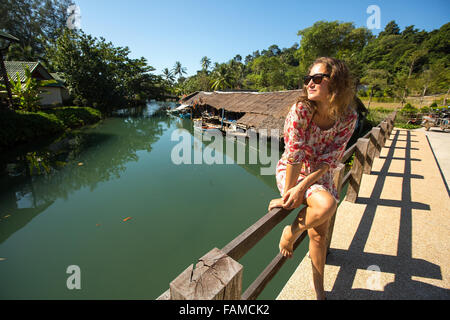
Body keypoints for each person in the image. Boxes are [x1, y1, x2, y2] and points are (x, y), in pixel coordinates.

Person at [268, 57, 358, 300]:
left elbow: (331, 159)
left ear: (336, 83)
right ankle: (292, 232)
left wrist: (304, 187)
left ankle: (318, 290)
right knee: (327, 205)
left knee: (319, 235)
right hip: (291, 171)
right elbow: (294, 154)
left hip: (320, 175)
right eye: (308, 79)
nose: (310, 83)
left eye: (317, 78)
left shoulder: (348, 117)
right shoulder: (300, 110)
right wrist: (290, 193)